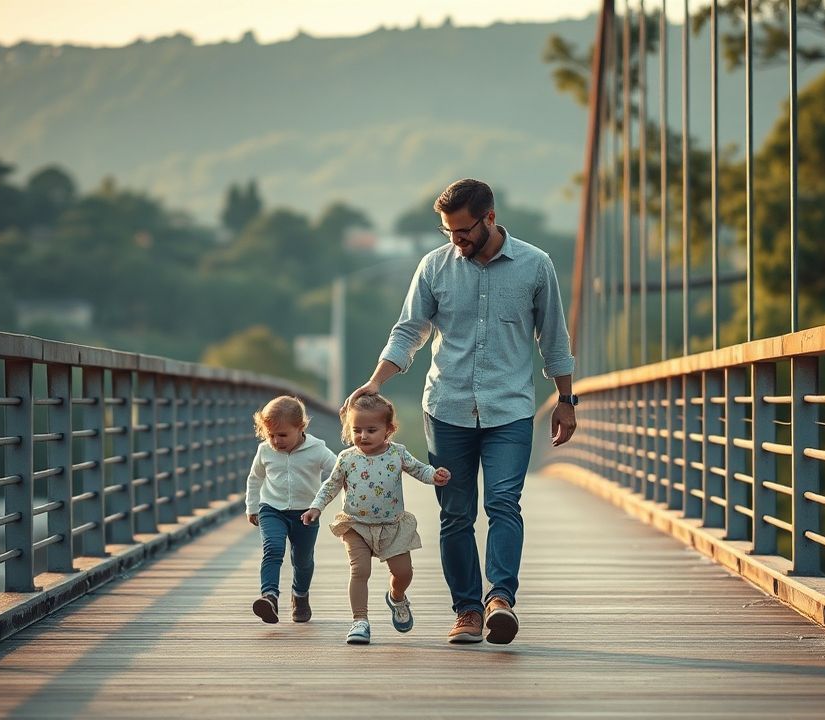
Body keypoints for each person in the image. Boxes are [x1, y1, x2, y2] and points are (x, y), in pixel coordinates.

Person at [346, 178, 578, 646]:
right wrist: (375, 381)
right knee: (455, 514)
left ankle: (501, 600)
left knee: (503, 503)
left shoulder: (535, 266)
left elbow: (553, 338)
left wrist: (566, 400)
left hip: (510, 409)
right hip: (447, 409)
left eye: (465, 231)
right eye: (448, 232)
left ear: (490, 218)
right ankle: (467, 610)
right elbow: (408, 331)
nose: (457, 240)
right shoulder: (434, 267)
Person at [301, 394, 450, 645]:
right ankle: (360, 620)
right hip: (356, 525)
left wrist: (434, 475)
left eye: (371, 430)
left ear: (389, 430)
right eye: (357, 430)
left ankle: (397, 595)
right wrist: (316, 506)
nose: (363, 436)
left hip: (392, 525)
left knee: (404, 572)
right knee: (360, 571)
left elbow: (418, 468)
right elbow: (331, 485)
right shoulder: (347, 458)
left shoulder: (397, 453)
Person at [245, 395, 337, 624]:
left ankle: (300, 596)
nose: (276, 441)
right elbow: (255, 479)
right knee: (273, 549)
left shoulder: (317, 449)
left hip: (306, 512)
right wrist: (252, 506)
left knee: (303, 560)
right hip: (271, 508)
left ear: (301, 427)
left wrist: (327, 498)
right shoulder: (265, 451)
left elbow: (338, 472)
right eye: (271, 435)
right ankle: (269, 597)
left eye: (282, 435)